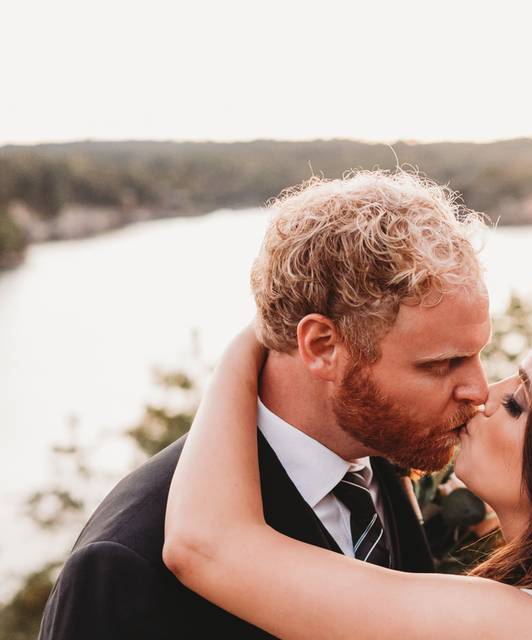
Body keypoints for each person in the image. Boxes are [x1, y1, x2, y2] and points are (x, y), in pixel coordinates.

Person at [39, 170, 491, 639]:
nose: (478, 390)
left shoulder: (383, 451)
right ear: (321, 346)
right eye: (441, 365)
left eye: (478, 353)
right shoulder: (129, 559)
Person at [164, 313, 532, 640]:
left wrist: (253, 340)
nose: (481, 394)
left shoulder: (518, 627)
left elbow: (206, 546)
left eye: (518, 404)